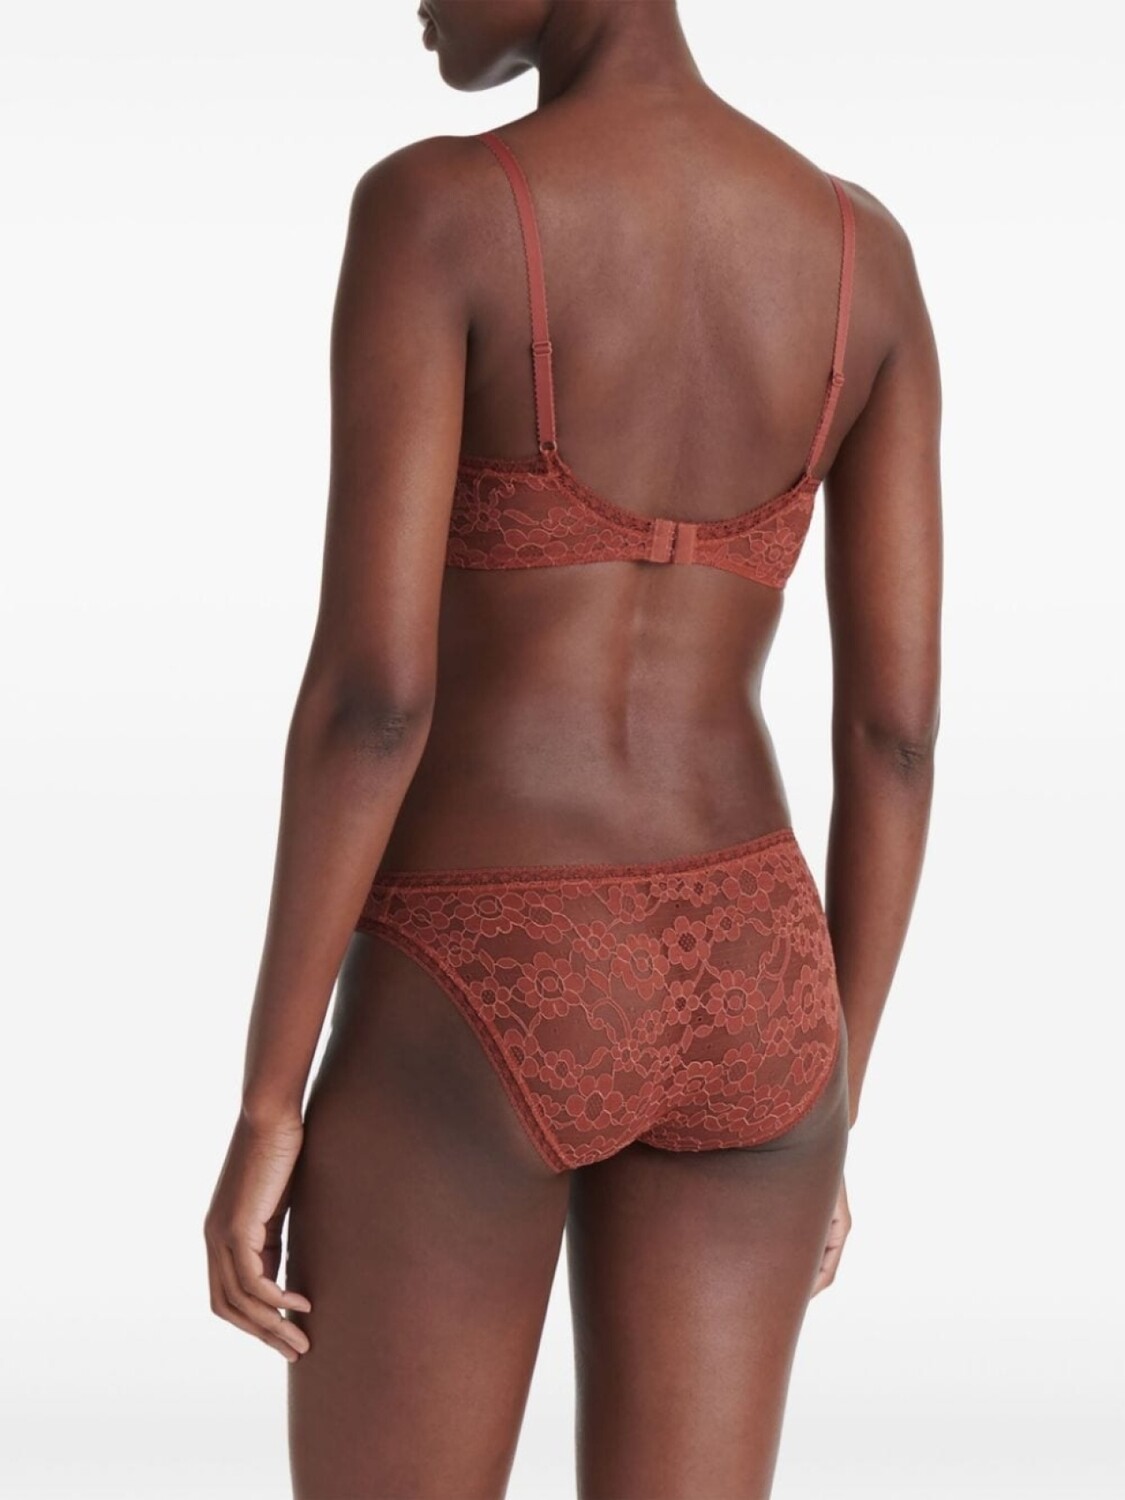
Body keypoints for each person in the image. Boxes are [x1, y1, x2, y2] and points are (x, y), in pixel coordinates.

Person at [204, 2, 941, 1495]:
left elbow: (373, 701)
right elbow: (895, 735)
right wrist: (835, 1084)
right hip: (759, 978)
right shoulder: (863, 254)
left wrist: (269, 1102)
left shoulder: (439, 211)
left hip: (486, 957)